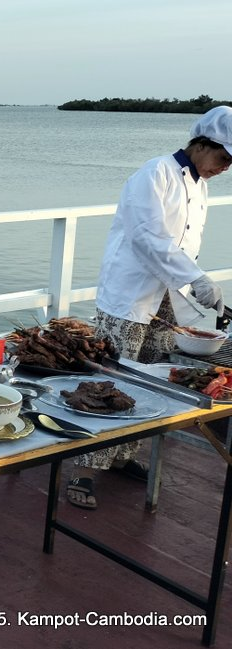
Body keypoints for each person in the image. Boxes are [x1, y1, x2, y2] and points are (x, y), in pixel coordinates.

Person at [67, 106, 232, 510]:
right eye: (223, 157)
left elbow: (182, 242)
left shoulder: (200, 184)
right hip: (128, 298)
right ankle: (85, 470)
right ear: (201, 144)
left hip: (167, 301)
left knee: (153, 383)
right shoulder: (155, 173)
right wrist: (196, 278)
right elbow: (147, 237)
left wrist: (195, 284)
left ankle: (123, 455)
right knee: (110, 382)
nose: (224, 168)